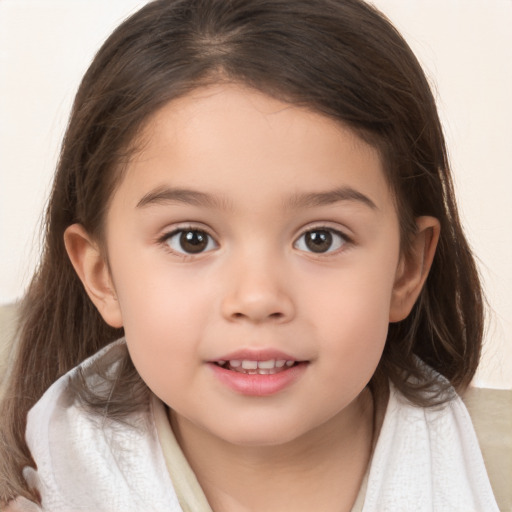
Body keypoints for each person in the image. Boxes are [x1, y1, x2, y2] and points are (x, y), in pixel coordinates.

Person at [0, 0, 499, 510]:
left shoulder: (493, 476)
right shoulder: (38, 481)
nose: (258, 298)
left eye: (320, 238)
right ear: (101, 275)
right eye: (191, 239)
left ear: (406, 268)